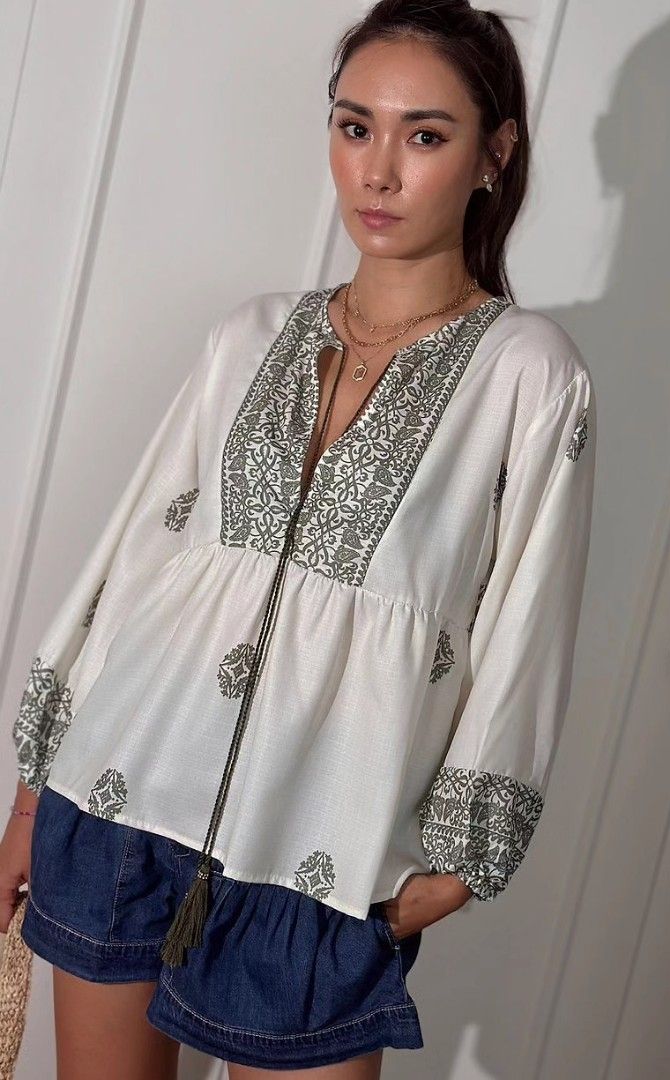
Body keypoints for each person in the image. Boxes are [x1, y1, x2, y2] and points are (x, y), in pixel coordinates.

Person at [0, 0, 596, 1075]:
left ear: (493, 153)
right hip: (119, 804)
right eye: (355, 126)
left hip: (321, 854)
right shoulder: (251, 333)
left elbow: (528, 624)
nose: (379, 171)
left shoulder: (529, 373)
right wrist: (36, 789)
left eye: (424, 135)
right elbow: (136, 560)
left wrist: (461, 865)